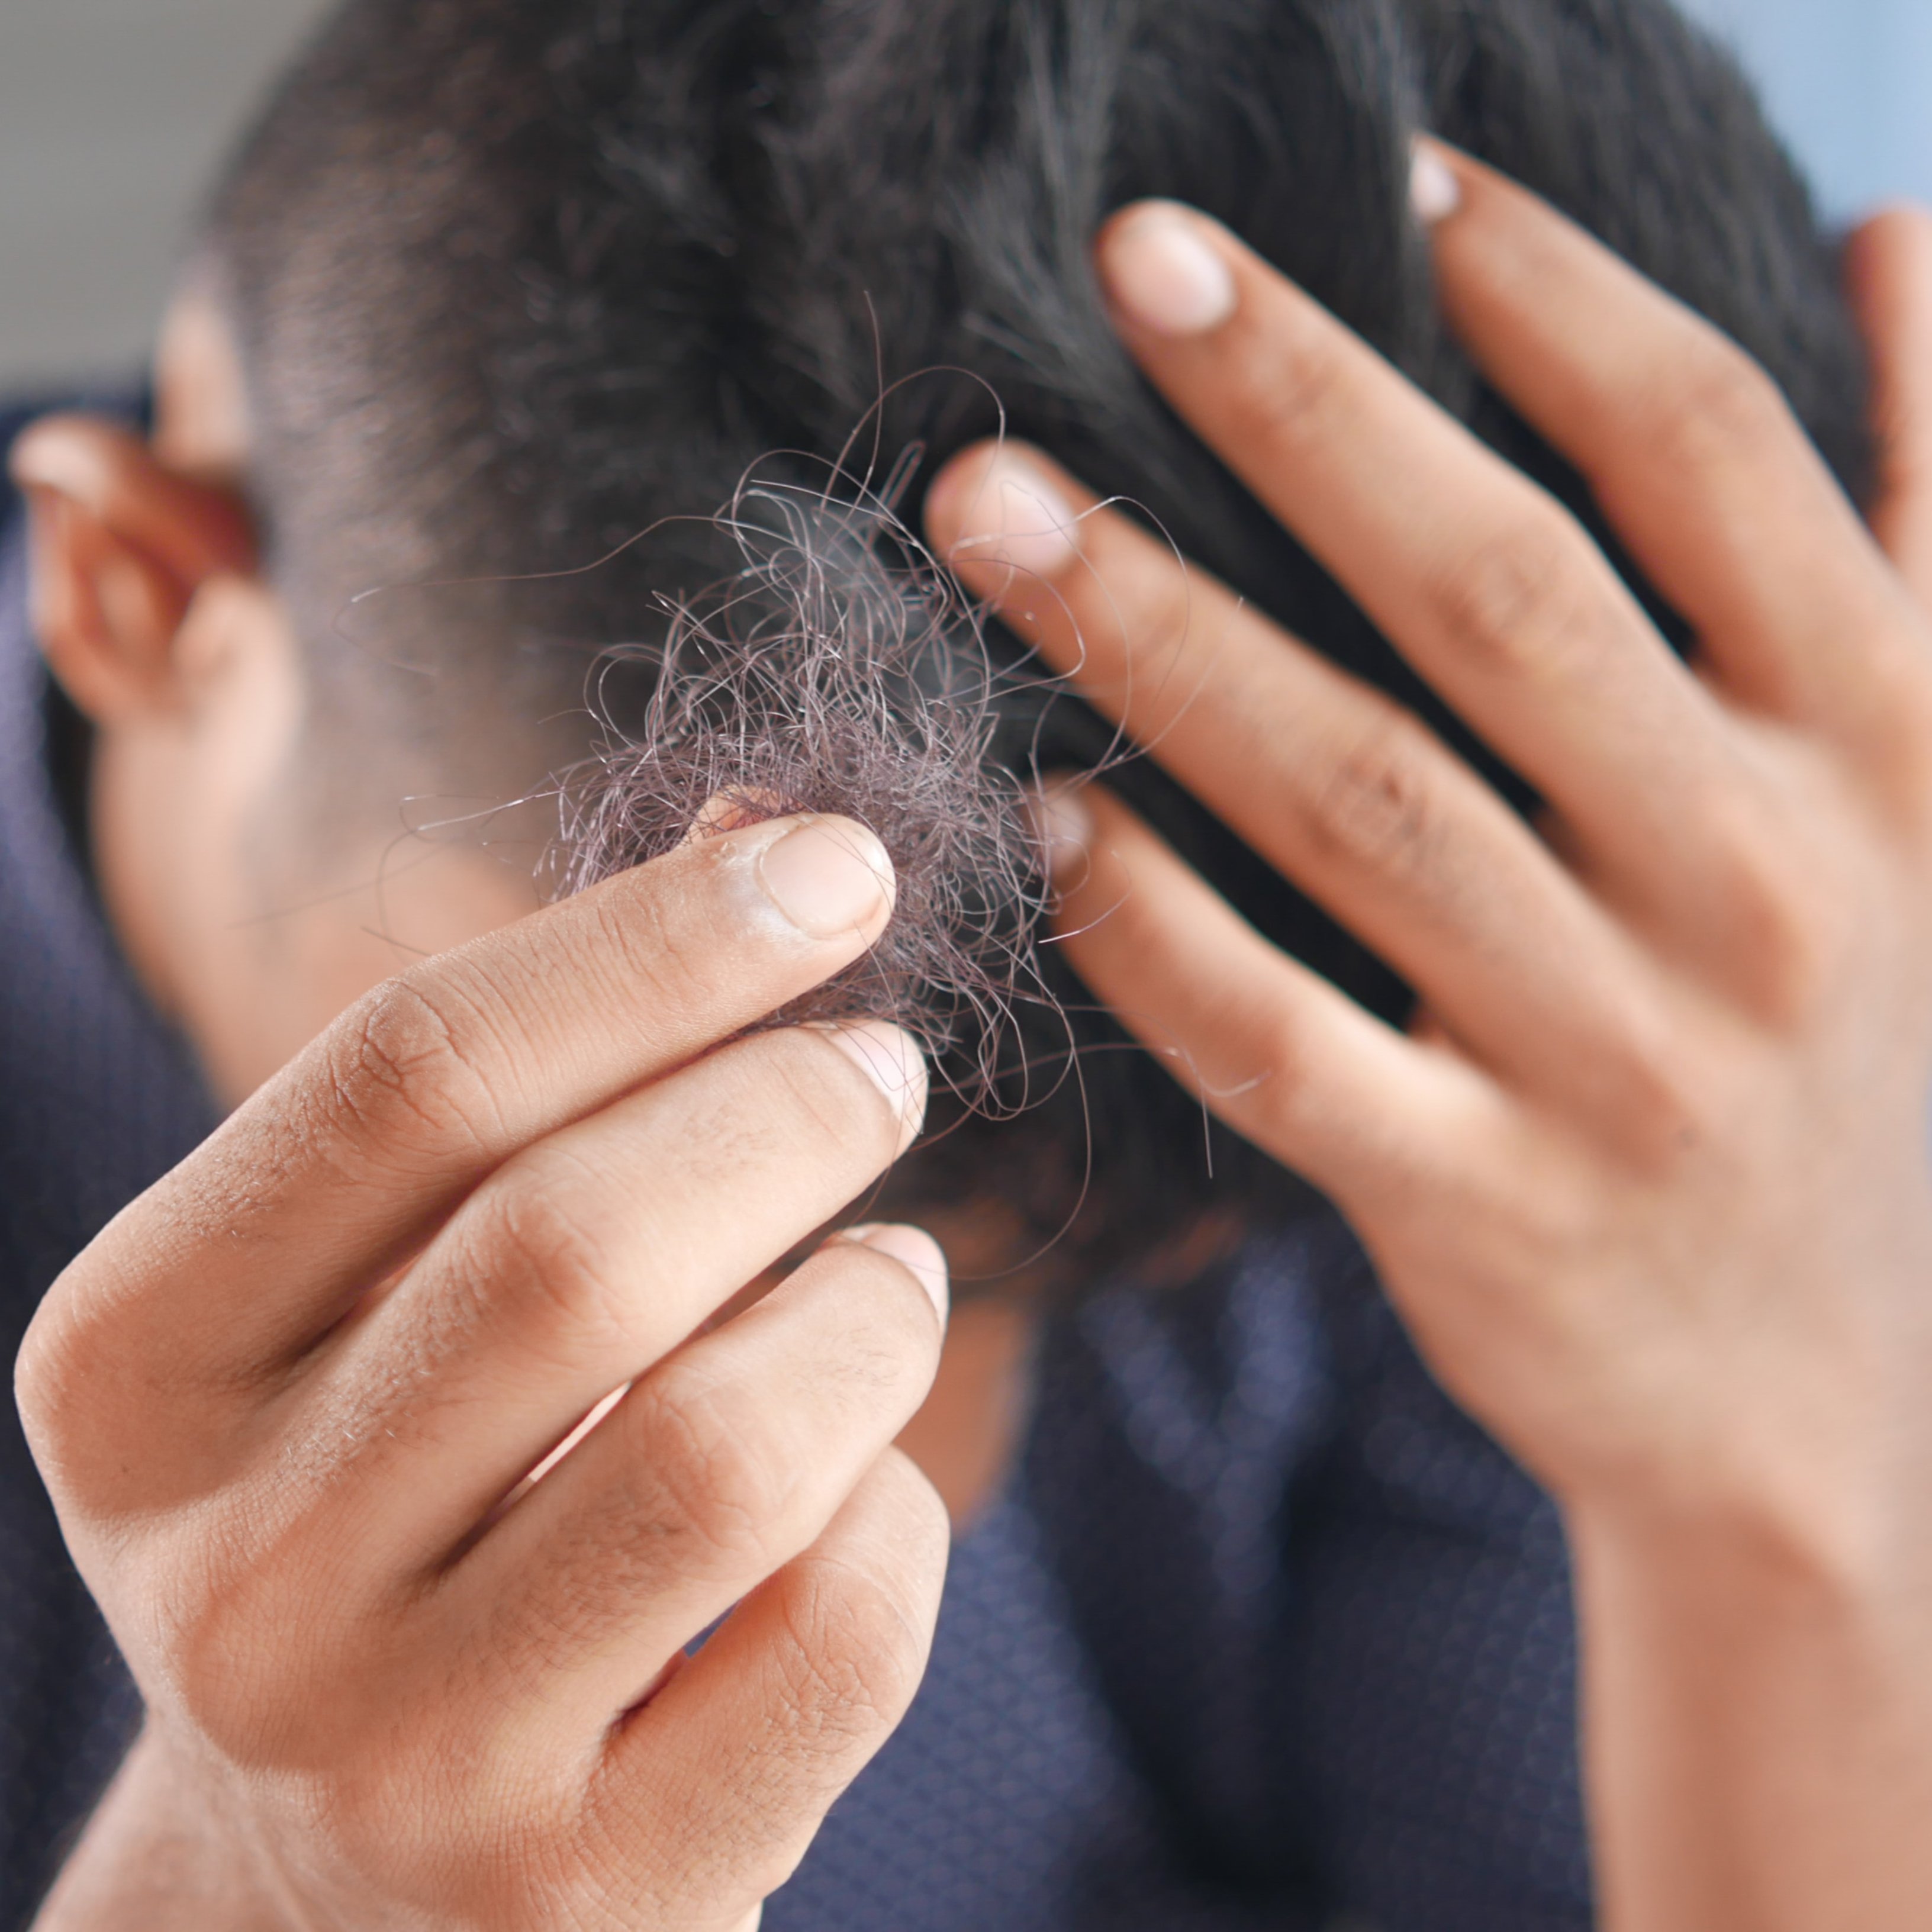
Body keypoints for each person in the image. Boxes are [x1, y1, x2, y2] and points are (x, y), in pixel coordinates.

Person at [4, 0, 1932, 1925]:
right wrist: (239, 1886)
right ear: (137, 594)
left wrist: (1796, 1498)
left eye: (1121, 1273)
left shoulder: (1549, 1035)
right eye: (650, 1129)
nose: (907, 1470)